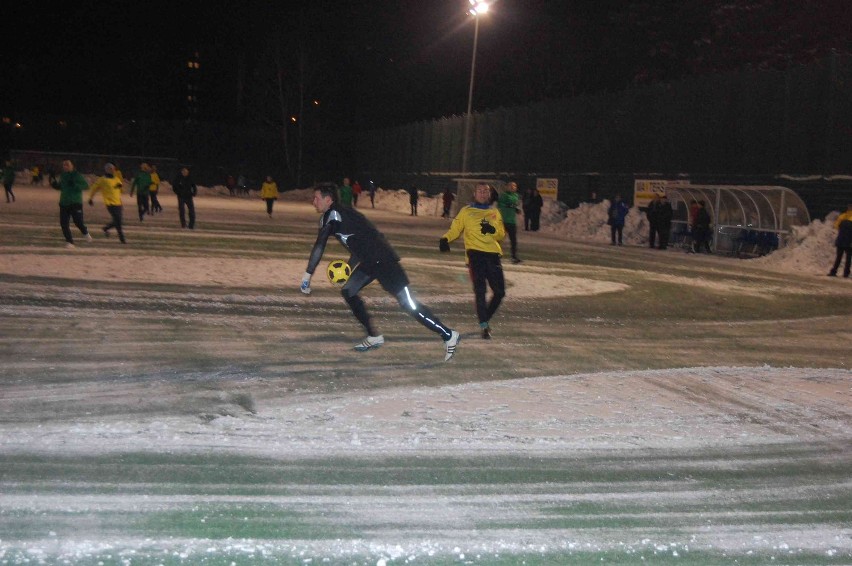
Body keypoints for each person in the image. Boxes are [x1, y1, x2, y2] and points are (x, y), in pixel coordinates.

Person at [300, 184, 460, 361]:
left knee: (409, 305)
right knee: (348, 291)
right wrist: (348, 266)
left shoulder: (334, 215)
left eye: (316, 198)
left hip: (384, 261)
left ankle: (448, 334)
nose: (313, 201)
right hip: (369, 262)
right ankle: (373, 336)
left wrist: (308, 275)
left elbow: (320, 245)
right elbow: (361, 240)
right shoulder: (340, 214)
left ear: (328, 200)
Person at [440, 182, 506, 339]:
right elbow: (455, 229)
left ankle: (485, 318)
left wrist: (493, 230)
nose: (483, 194)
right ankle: (484, 325)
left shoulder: (495, 213)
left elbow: (501, 234)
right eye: (480, 191)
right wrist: (445, 239)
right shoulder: (466, 211)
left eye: (486, 191)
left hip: (493, 255)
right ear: (474, 194)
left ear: (489, 195)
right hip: (475, 255)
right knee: (480, 290)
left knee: (500, 292)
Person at [51, 159, 92, 248]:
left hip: (75, 202)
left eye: (67, 165)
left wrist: (75, 185)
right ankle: (70, 241)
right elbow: (62, 187)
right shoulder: (63, 175)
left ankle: (85, 232)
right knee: (64, 223)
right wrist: (55, 184)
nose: (65, 167)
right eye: (64, 165)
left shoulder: (77, 175)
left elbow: (86, 186)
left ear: (72, 166)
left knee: (78, 222)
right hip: (64, 203)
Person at [88, 162, 126, 243]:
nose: (113, 170)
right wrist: (90, 199)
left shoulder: (116, 178)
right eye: (111, 169)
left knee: (119, 220)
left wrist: (119, 187)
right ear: (107, 170)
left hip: (118, 203)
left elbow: (120, 187)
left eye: (114, 169)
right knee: (118, 220)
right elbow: (93, 189)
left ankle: (106, 228)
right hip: (110, 203)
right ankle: (122, 238)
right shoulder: (102, 180)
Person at [497, 181, 523, 263]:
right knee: (500, 238)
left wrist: (516, 209)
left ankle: (514, 256)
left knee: (513, 240)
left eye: (514, 186)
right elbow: (499, 205)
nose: (513, 187)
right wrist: (508, 206)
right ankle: (496, 254)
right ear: (507, 187)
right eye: (511, 186)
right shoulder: (504, 195)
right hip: (504, 220)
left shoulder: (516, 196)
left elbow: (515, 205)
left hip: (512, 221)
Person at [827, 203, 852, 278]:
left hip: (841, 239)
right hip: (849, 240)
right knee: (848, 258)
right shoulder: (843, 216)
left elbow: (836, 226)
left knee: (839, 257)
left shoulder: (842, 216)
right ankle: (846, 273)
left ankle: (834, 271)